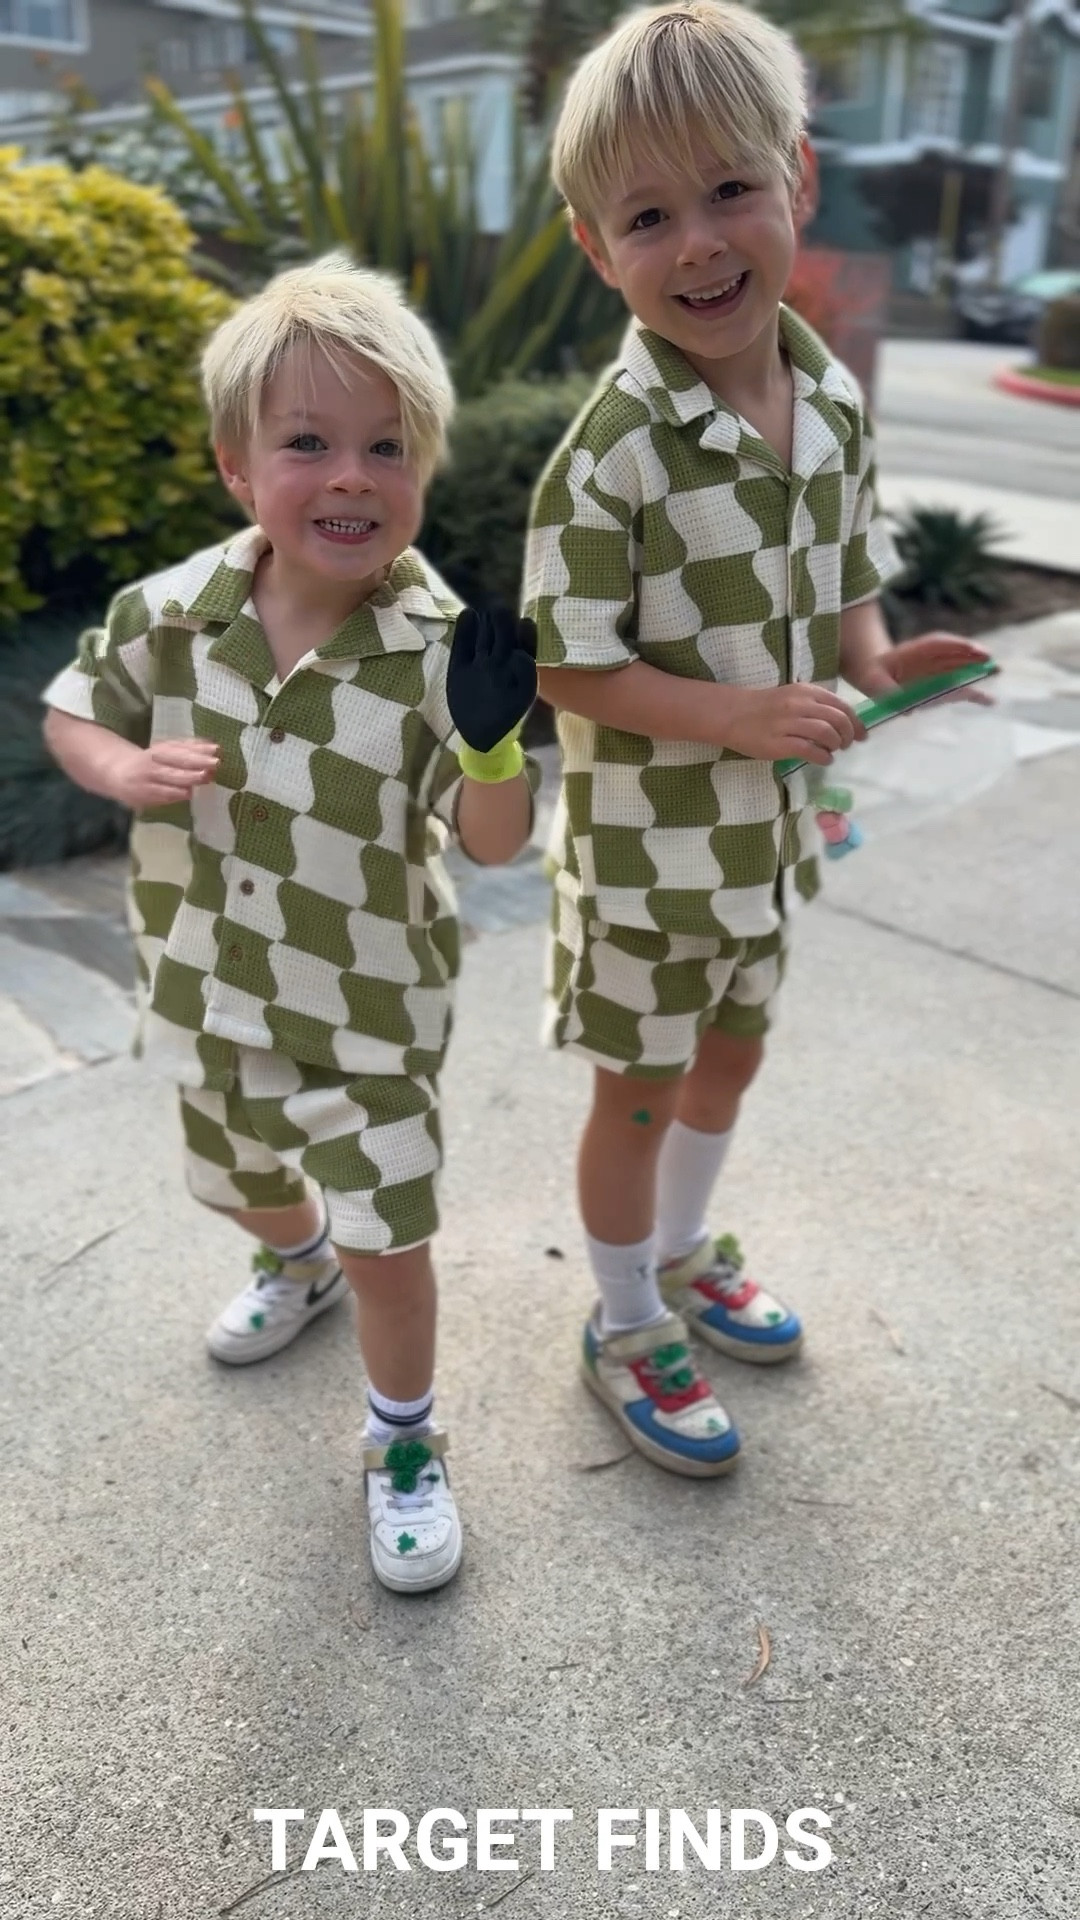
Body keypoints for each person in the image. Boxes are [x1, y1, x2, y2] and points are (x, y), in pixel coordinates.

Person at [523, 0, 988, 1476]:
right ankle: (620, 1318)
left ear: (795, 176)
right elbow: (566, 669)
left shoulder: (831, 398)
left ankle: (679, 1244)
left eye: (729, 190)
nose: (703, 245)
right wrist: (730, 712)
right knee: (641, 1087)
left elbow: (842, 561)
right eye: (650, 216)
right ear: (599, 250)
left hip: (772, 838)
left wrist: (874, 659)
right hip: (649, 857)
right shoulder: (613, 455)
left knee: (731, 1062)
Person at [42, 254, 538, 1591]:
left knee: (395, 1242)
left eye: (387, 446)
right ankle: (296, 1260)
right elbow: (73, 704)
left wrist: (494, 752)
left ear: (421, 468)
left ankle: (403, 1439)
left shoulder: (437, 651)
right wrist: (120, 769)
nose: (350, 476)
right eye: (307, 443)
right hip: (210, 984)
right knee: (242, 1183)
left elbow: (496, 846)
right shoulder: (173, 613)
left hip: (371, 1012)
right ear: (235, 466)